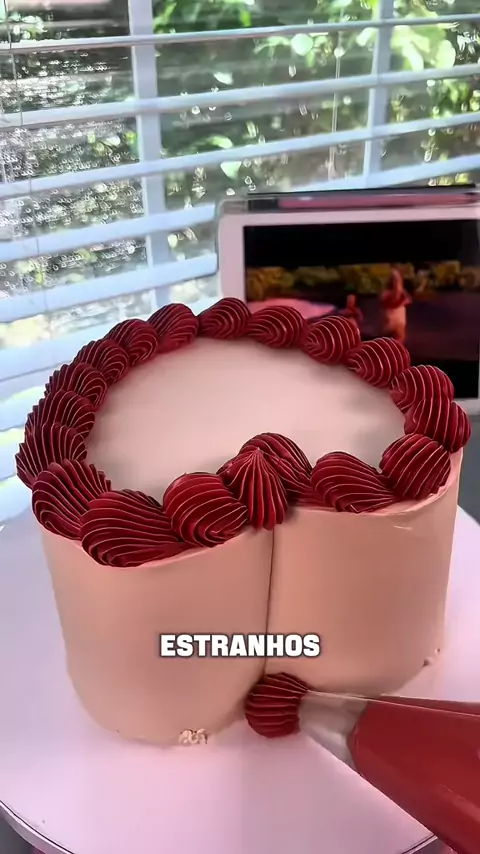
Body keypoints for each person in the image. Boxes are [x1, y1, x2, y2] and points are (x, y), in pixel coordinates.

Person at [380, 268, 412, 343]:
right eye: (395, 280)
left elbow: (408, 300)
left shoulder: (400, 293)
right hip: (391, 324)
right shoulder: (386, 294)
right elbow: (389, 302)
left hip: (394, 324)